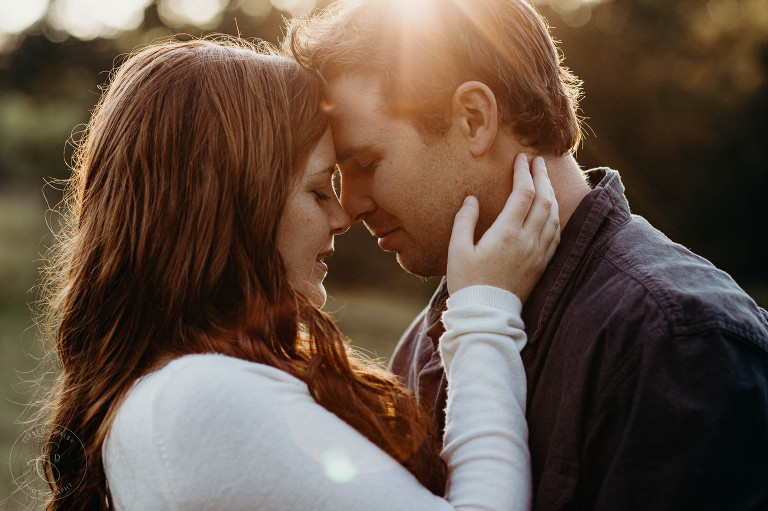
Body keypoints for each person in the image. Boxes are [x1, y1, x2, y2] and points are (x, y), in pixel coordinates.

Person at [37, 38, 561, 510]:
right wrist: (483, 313)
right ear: (236, 209)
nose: (341, 215)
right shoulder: (203, 401)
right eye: (317, 190)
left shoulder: (174, 389)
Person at [286, 0, 768, 509]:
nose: (350, 204)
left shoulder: (680, 343)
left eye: (365, 161)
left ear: (474, 118)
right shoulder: (429, 343)